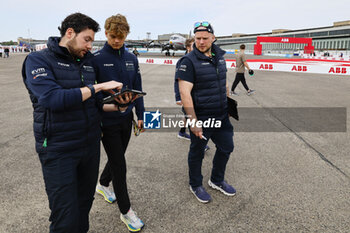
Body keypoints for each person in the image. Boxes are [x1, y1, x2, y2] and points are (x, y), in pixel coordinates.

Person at [22, 12, 125, 232]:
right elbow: (51, 99)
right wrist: (97, 86)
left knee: (83, 209)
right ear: (70, 33)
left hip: (89, 146)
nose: (90, 46)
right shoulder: (38, 60)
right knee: (65, 217)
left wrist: (118, 105)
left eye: (92, 41)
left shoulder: (87, 62)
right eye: (87, 39)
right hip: (59, 149)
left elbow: (94, 102)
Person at [93, 14, 145, 232]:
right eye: (113, 36)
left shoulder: (132, 58)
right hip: (107, 121)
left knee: (117, 158)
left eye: (121, 37)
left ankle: (103, 184)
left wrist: (141, 115)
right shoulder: (95, 59)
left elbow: (138, 88)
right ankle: (126, 212)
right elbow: (92, 93)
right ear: (106, 33)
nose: (117, 41)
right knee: (120, 166)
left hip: (127, 119)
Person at [177, 21, 236, 203]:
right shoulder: (188, 61)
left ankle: (216, 180)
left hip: (221, 115)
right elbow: (184, 93)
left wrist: (228, 106)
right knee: (197, 151)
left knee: (227, 147)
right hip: (202, 117)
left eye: (204, 38)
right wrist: (192, 121)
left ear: (213, 38)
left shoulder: (220, 57)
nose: (201, 42)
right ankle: (195, 184)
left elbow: (224, 83)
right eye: (198, 38)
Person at [174, 38, 210, 151]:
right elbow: (177, 81)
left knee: (187, 115)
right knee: (193, 117)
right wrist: (178, 97)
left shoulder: (199, 59)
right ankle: (200, 144)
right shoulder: (183, 61)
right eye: (193, 45)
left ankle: (182, 132)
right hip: (188, 96)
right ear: (188, 48)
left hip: (198, 95)